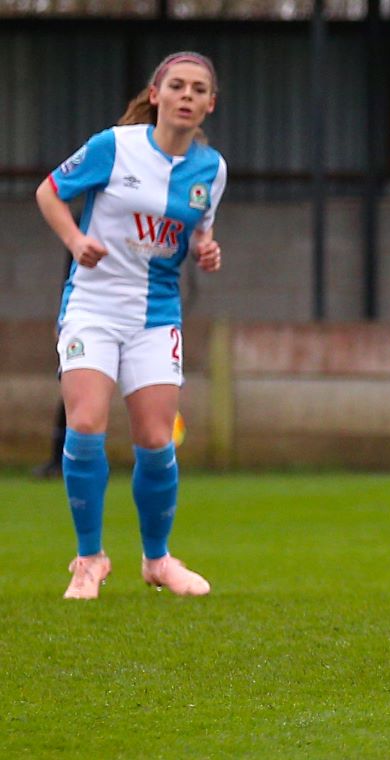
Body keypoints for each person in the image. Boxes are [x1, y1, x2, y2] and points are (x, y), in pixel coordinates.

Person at [35, 51, 227, 600]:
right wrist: (75, 242)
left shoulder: (211, 170)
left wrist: (206, 249)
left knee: (153, 437)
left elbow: (197, 236)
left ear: (209, 104)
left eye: (198, 89)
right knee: (87, 424)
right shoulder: (112, 148)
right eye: (177, 86)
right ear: (156, 93)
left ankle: (158, 560)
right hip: (92, 307)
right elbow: (49, 191)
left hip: (156, 313)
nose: (187, 96)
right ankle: (89, 560)